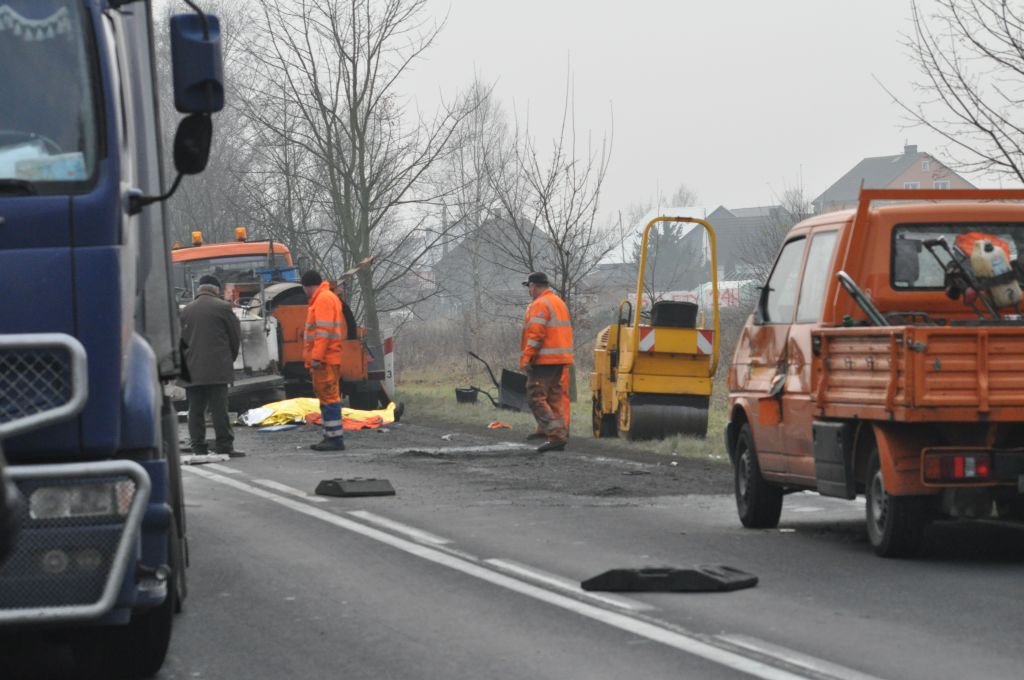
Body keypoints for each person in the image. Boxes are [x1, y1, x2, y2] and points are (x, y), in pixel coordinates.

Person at [180, 274, 243, 457]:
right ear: (216, 289)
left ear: (199, 289)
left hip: (191, 369)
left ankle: (198, 447)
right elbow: (234, 337)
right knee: (219, 410)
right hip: (217, 367)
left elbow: (180, 340)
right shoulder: (223, 308)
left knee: (195, 410)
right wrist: (228, 359)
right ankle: (225, 446)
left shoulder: (186, 310)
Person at [520, 271, 574, 452]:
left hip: (544, 359)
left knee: (535, 397)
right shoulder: (558, 302)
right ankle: (557, 432)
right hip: (560, 358)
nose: (529, 290)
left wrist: (527, 357)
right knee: (554, 397)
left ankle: (556, 435)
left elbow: (536, 335)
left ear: (534, 286)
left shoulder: (540, 304)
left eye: (529, 286)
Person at [302, 270, 347, 451]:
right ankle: (331, 436)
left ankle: (335, 439)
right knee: (328, 398)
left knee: (329, 398)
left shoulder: (322, 300)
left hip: (325, 360)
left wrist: (316, 357)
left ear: (308, 286)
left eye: (304, 288)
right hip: (328, 358)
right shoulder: (328, 298)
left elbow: (323, 333)